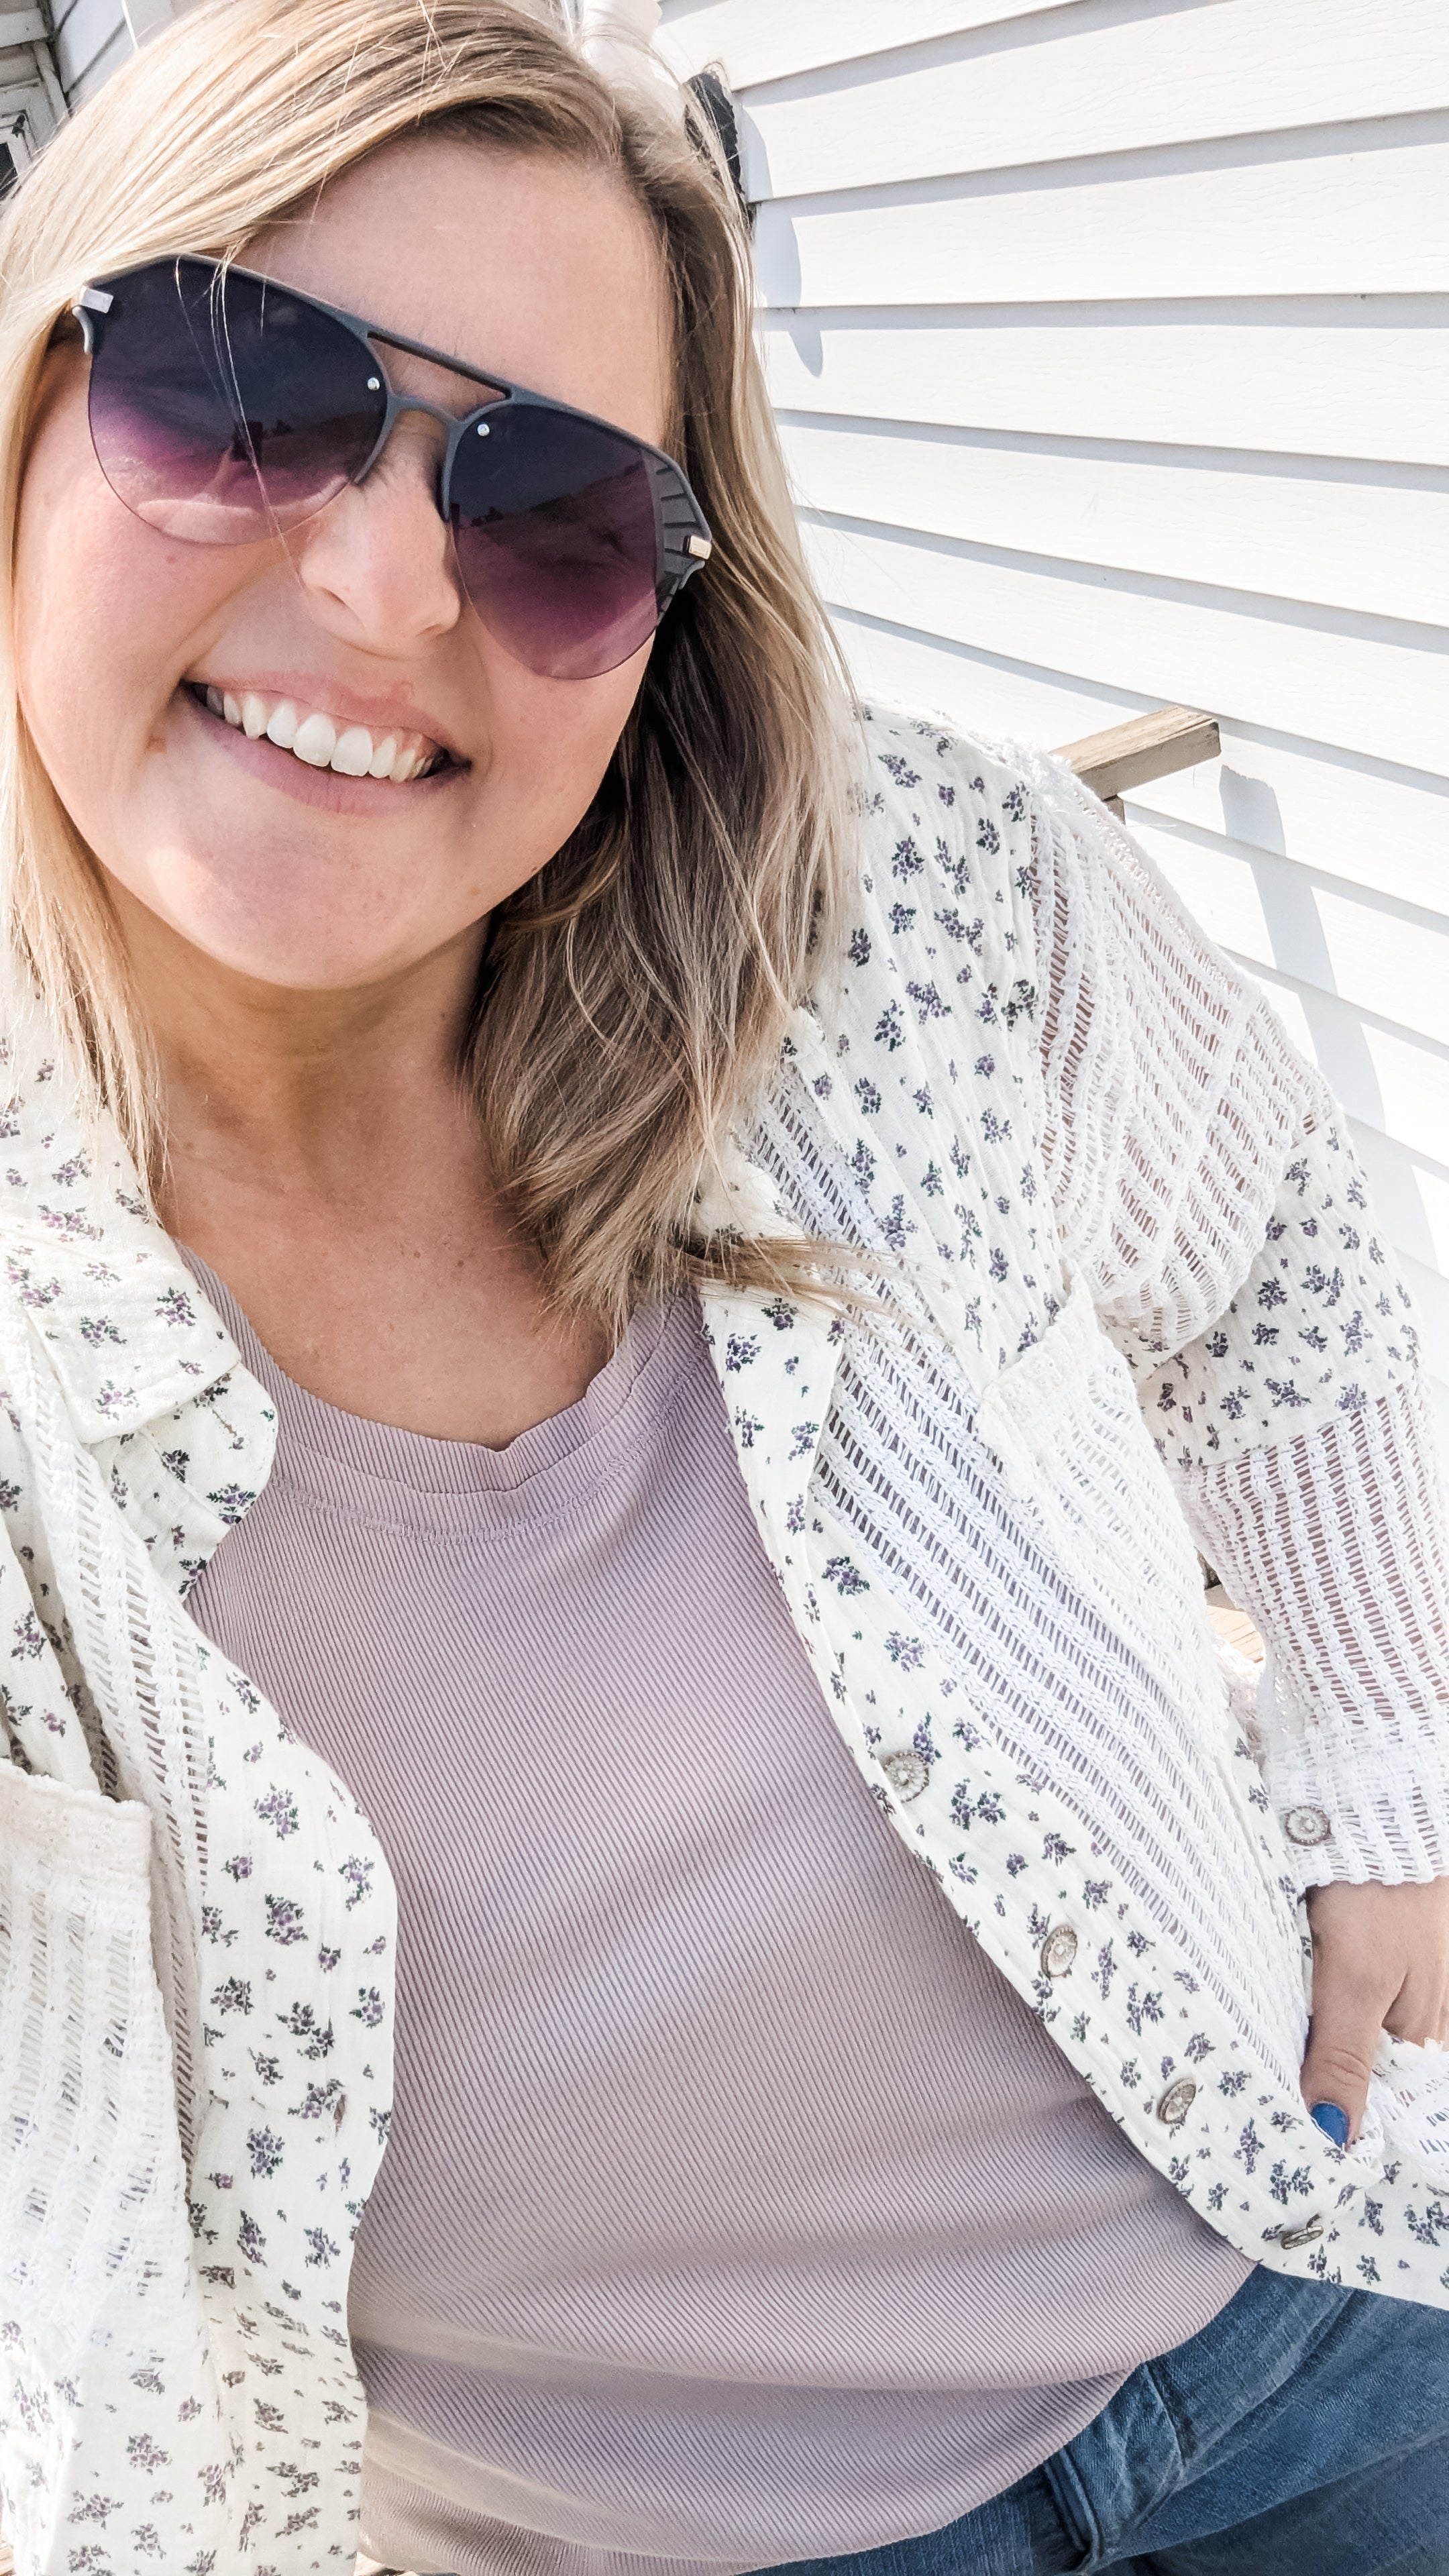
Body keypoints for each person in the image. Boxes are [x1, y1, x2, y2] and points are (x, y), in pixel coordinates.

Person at [0, 3, 1446, 2571]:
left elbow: (1280, 1266)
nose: (383, 584)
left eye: (550, 502)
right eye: (240, 390)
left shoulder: (910, 916)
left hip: (1312, 2297)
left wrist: (1388, 1779)